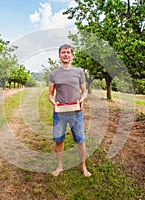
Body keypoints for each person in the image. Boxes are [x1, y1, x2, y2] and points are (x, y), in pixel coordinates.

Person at [48, 44, 91, 177]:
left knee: (80, 140)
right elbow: (50, 94)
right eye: (63, 52)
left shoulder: (79, 72)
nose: (65, 54)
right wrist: (54, 102)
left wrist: (82, 99)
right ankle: (60, 166)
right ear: (59, 55)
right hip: (60, 113)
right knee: (59, 140)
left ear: (72, 55)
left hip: (76, 113)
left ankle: (84, 167)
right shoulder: (53, 74)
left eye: (68, 52)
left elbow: (85, 91)